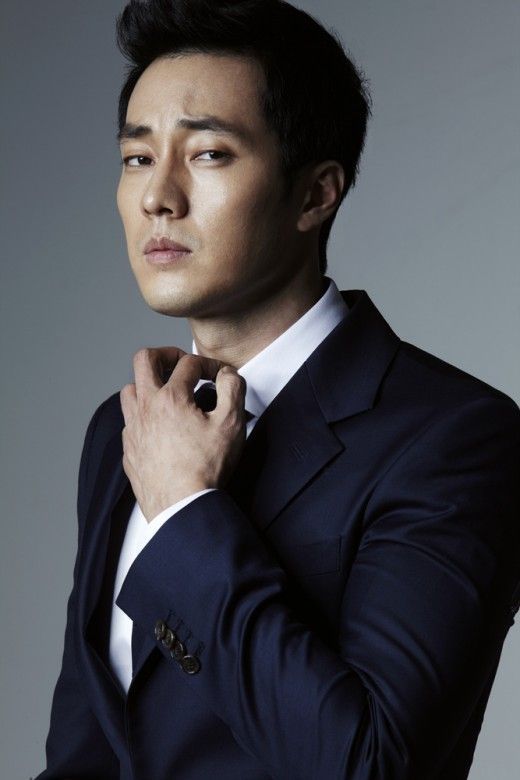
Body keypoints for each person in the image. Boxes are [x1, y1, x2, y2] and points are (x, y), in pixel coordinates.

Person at [37, 1, 520, 778]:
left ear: (315, 194)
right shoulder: (124, 427)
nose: (158, 196)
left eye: (209, 154)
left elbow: (372, 765)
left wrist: (186, 511)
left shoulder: (454, 438)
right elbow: (85, 750)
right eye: (136, 157)